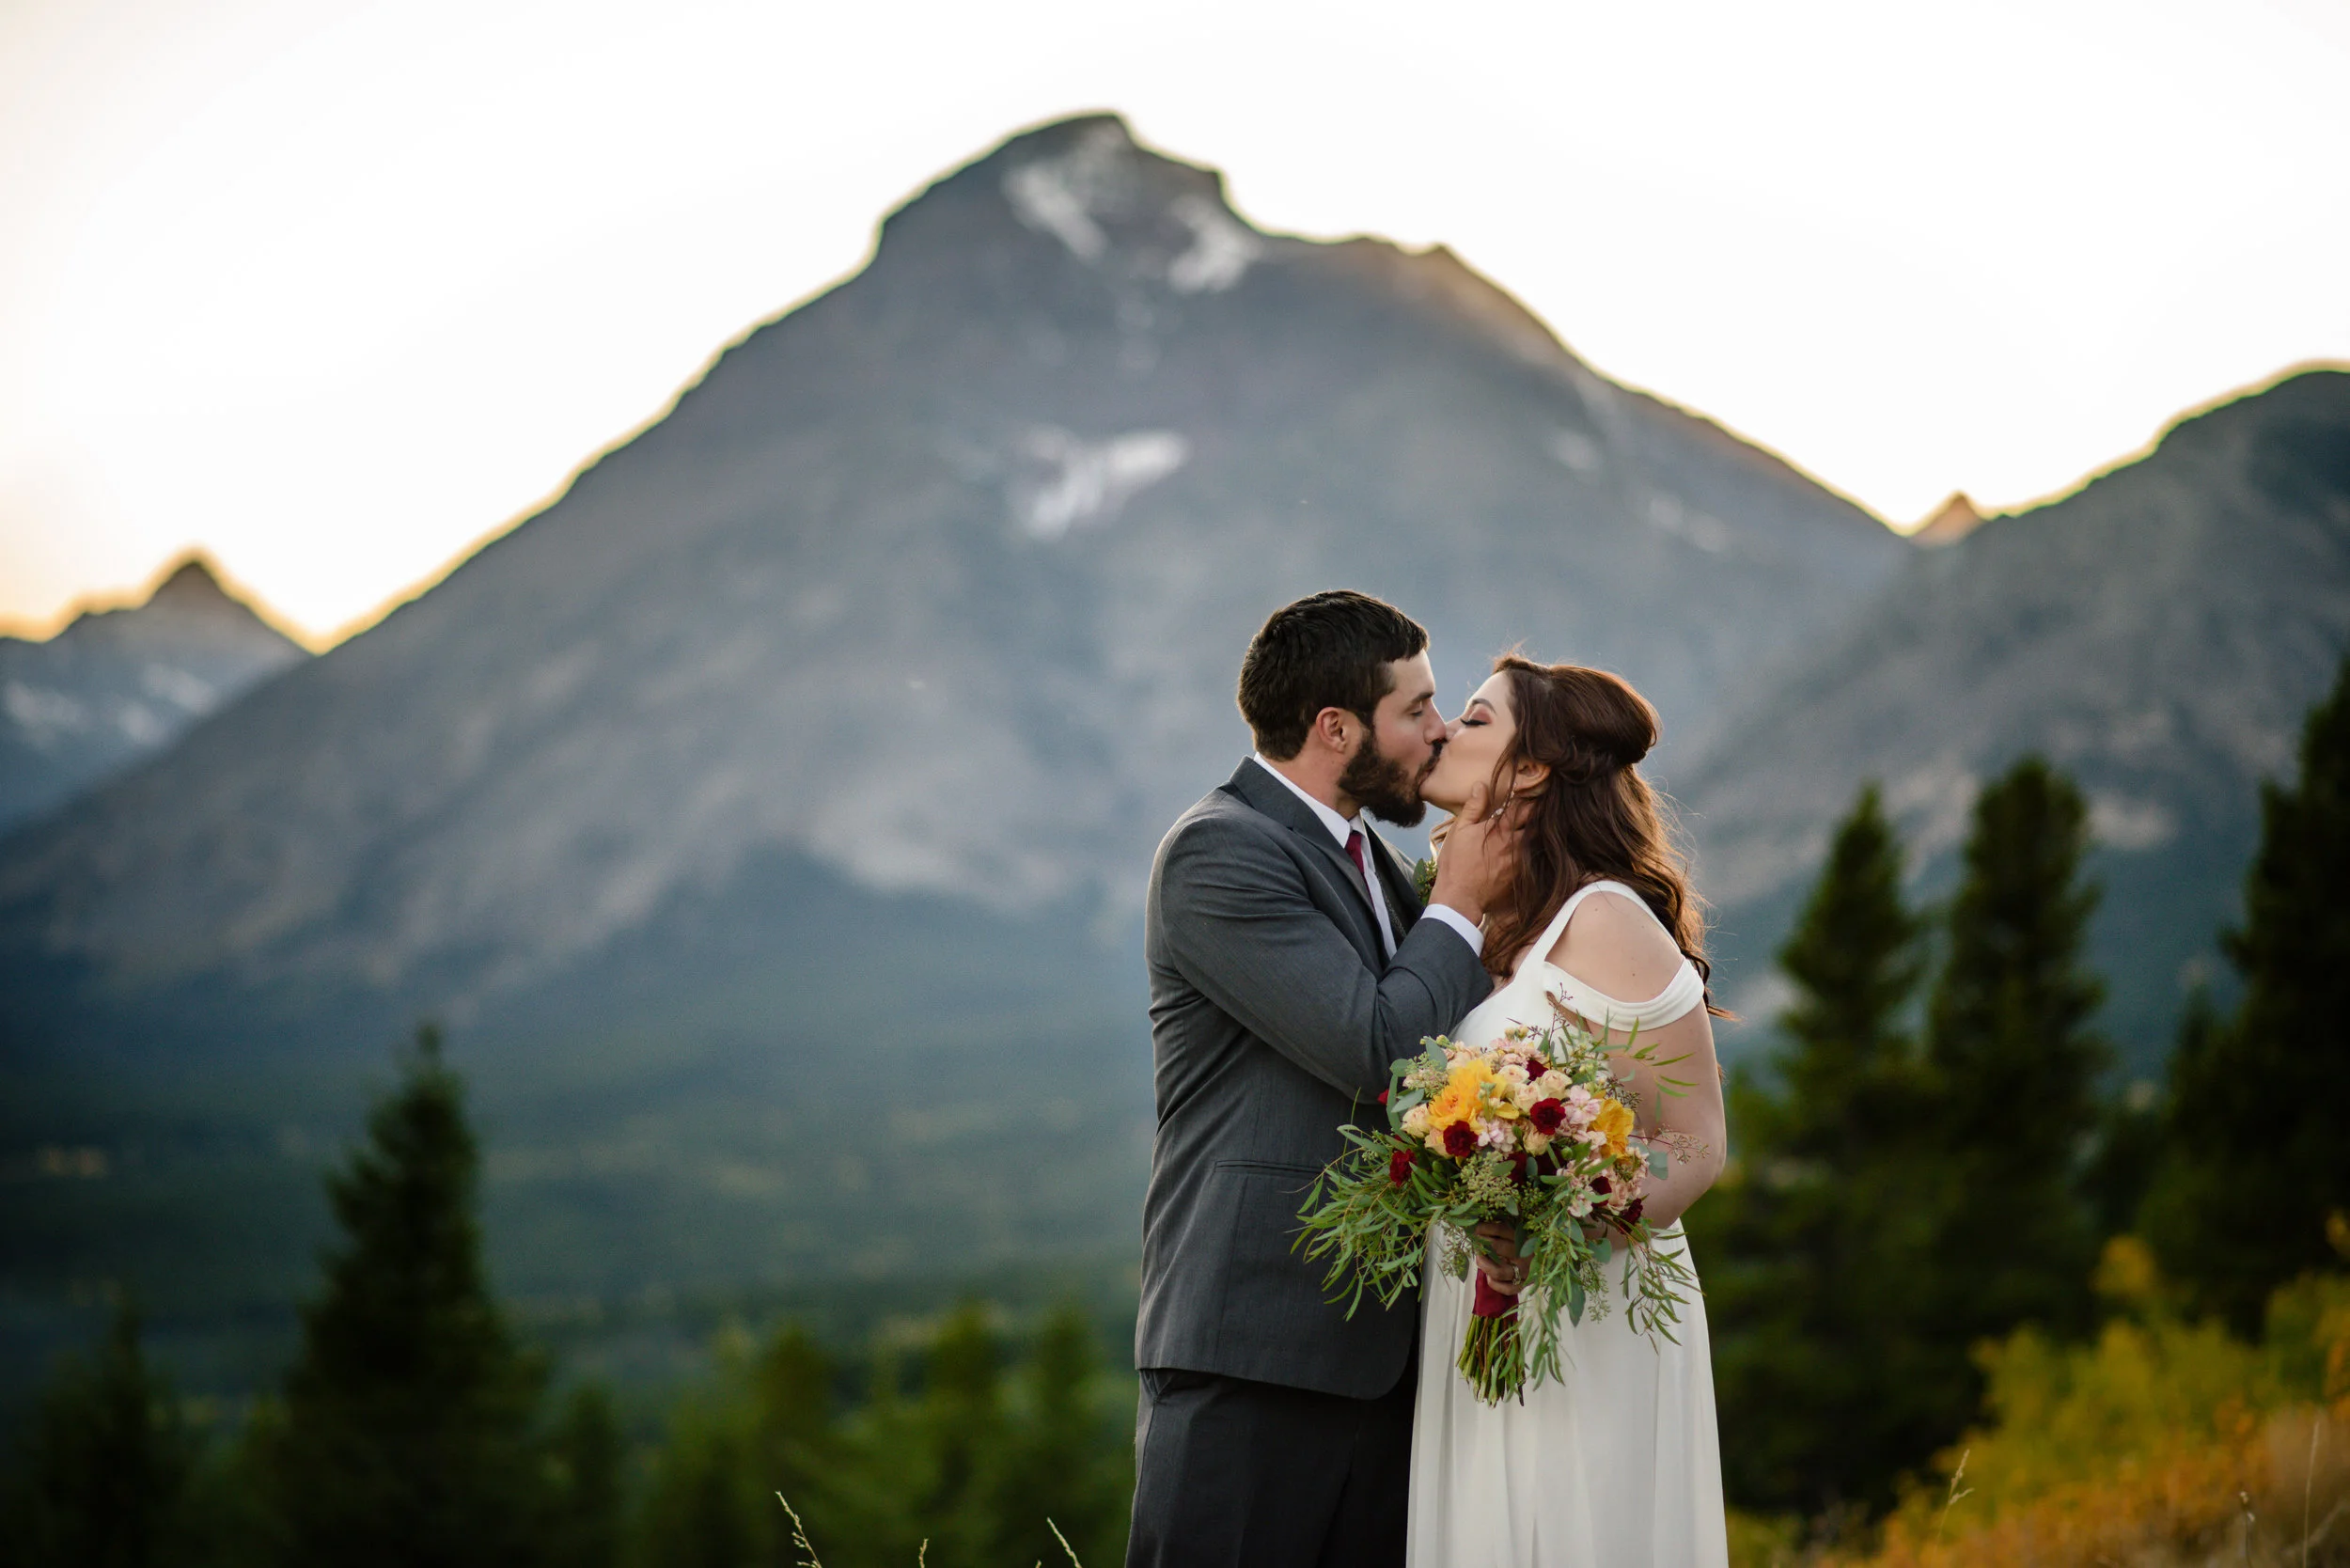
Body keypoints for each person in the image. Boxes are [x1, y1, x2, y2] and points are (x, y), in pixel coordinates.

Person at [1128, 590, 1515, 1568]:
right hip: (1256, 1353)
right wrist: (1463, 900)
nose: (1438, 733)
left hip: (1388, 1359)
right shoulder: (1219, 852)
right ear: (1335, 728)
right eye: (1416, 710)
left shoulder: (1373, 863)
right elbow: (1379, 1049)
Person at [1405, 654, 1731, 1567]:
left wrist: (1554, 1230)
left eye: (1471, 719)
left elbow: (1696, 1141)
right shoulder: (1474, 922)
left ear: (1536, 765)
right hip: (1467, 1306)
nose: (1441, 732)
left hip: (1583, 1315)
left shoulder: (1606, 919)